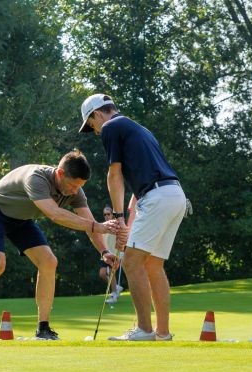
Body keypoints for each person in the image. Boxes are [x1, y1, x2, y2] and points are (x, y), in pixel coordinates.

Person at [0, 150, 119, 341]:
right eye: (72, 185)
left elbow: (89, 225)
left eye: (79, 187)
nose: (74, 191)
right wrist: (98, 226)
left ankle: (43, 329)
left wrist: (104, 252)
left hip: (21, 220)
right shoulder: (36, 178)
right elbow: (55, 214)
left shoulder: (75, 191)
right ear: (60, 173)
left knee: (49, 261)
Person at [80, 94, 187, 341]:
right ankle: (162, 332)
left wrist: (118, 219)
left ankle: (144, 330)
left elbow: (114, 175)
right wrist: (127, 219)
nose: (94, 131)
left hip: (157, 197)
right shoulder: (138, 128)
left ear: (98, 114)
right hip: (174, 195)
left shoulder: (110, 127)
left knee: (130, 262)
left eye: (91, 124)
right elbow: (140, 180)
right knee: (152, 264)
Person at [99, 206, 123, 304]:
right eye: (104, 214)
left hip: (114, 254)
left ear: (112, 214)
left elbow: (121, 238)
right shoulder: (102, 225)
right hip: (105, 254)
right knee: (102, 274)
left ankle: (113, 295)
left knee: (110, 273)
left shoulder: (117, 225)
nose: (106, 216)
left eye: (108, 214)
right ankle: (115, 287)